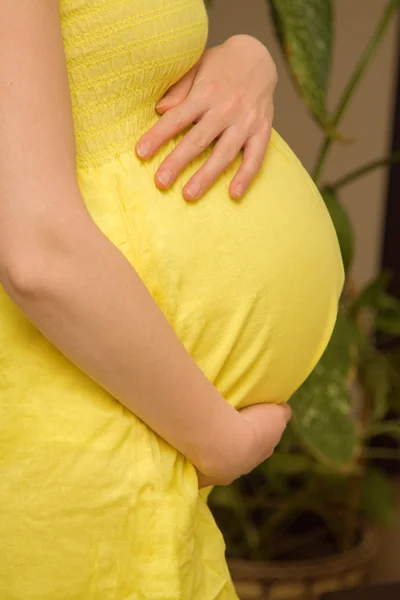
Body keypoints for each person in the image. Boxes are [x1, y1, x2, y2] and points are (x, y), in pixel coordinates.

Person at [0, 1, 344, 599]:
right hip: (82, 436)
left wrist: (244, 59)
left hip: (128, 429)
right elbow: (38, 251)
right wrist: (220, 440)